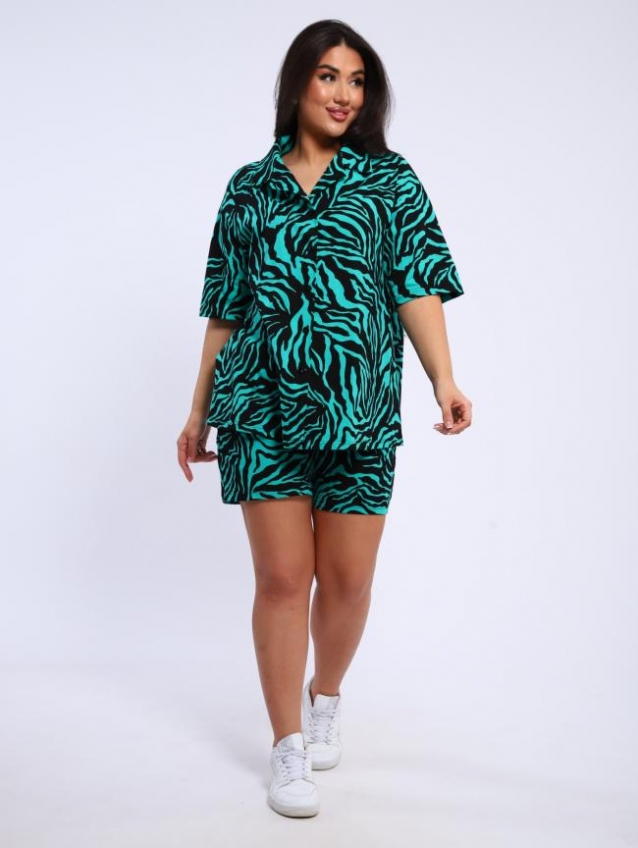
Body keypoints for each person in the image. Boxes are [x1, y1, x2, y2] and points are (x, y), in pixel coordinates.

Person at [176, 19, 472, 818]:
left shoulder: (389, 181)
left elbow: (416, 284)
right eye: (329, 76)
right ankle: (286, 747)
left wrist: (443, 378)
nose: (344, 94)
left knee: (347, 582)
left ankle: (325, 695)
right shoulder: (248, 188)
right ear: (297, 83)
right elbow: (225, 309)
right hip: (260, 406)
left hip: (359, 408)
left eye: (358, 81)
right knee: (282, 580)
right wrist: (198, 411)